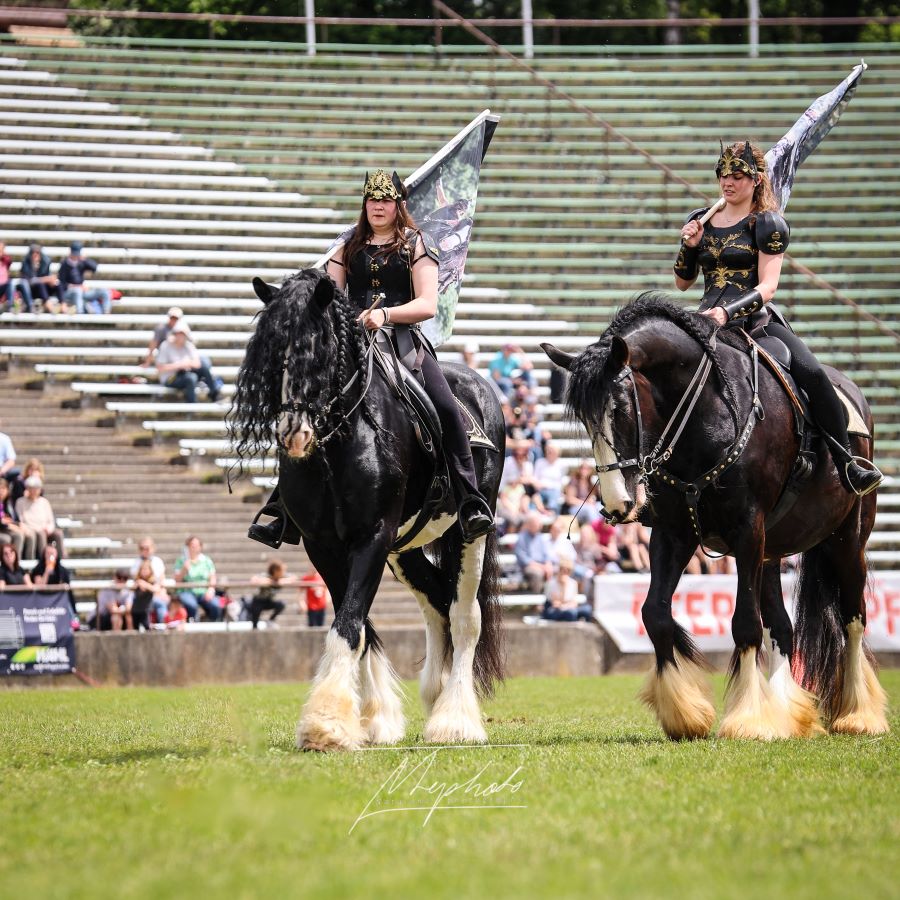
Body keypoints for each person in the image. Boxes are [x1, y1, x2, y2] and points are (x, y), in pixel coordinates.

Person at [248, 169, 495, 547]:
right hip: (352, 343)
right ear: (365, 204)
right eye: (372, 199)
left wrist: (384, 314)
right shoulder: (345, 245)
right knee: (305, 403)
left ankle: (469, 498)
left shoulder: (418, 243)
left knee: (446, 407)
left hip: (403, 343)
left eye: (386, 200)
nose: (378, 206)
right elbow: (331, 296)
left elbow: (428, 304)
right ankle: (284, 509)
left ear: (399, 205)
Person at [675, 139, 881, 496]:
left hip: (754, 323)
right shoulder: (701, 219)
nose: (728, 181)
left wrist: (727, 312)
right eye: (723, 173)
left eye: (738, 174)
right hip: (705, 322)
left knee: (813, 373)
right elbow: (682, 282)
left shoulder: (768, 224)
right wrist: (688, 247)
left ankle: (846, 462)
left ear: (755, 180)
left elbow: (768, 287)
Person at [154, 321, 223, 403]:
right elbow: (160, 368)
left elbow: (197, 364)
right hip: (170, 378)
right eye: (179, 333)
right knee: (191, 377)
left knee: (204, 367)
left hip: (186, 373)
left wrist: (186, 364)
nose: (181, 336)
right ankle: (192, 404)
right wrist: (179, 365)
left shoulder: (188, 345)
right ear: (175, 334)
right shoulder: (165, 345)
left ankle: (213, 394)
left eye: (183, 334)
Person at [15, 475, 64, 559]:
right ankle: (42, 561)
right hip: (30, 528)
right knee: (40, 534)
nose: (34, 491)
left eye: (36, 488)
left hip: (45, 529)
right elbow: (20, 520)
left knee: (58, 534)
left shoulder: (44, 502)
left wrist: (48, 528)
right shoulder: (20, 502)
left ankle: (61, 560)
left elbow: (51, 520)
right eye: (31, 488)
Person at [173, 535, 219, 621]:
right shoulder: (181, 560)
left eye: (196, 545)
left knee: (215, 605)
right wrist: (184, 570)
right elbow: (177, 580)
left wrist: (211, 589)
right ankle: (194, 622)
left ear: (200, 547)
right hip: (186, 591)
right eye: (191, 545)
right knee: (191, 605)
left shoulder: (206, 560)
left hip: (203, 591)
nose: (193, 548)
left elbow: (212, 577)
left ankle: (210, 622)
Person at [57, 241, 111, 314]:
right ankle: (80, 314)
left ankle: (106, 312)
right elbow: (62, 283)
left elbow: (94, 267)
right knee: (77, 291)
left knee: (104, 291)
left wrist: (85, 259)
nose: (75, 256)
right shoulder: (64, 264)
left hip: (83, 291)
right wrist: (77, 286)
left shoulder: (81, 262)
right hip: (71, 292)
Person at [129, 536, 168, 626]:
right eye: (142, 548)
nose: (145, 550)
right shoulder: (136, 562)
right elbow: (136, 580)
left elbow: (161, 580)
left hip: (155, 593)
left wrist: (161, 591)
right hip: (141, 596)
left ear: (153, 548)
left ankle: (164, 627)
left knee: (160, 603)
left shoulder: (158, 561)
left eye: (147, 548)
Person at [541, 557, 593, 622]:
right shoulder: (551, 583)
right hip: (554, 610)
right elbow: (555, 603)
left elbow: (574, 602)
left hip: (568, 608)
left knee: (587, 610)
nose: (564, 572)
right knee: (571, 613)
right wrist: (563, 586)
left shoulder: (573, 583)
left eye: (567, 570)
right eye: (562, 570)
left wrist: (566, 606)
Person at [514, 510, 554, 593]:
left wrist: (548, 564)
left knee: (555, 569)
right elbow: (523, 559)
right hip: (528, 567)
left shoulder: (541, 537)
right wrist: (541, 567)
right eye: (535, 523)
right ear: (529, 524)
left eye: (538, 523)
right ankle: (537, 602)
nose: (538, 525)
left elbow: (547, 554)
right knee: (537, 573)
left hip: (542, 565)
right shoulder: (522, 538)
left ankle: (551, 597)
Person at [31, 544, 76, 617]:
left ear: (56, 555)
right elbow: (39, 587)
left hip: (57, 600)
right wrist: (46, 572)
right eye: (47, 553)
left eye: (52, 553)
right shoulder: (38, 569)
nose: (50, 556)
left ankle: (74, 618)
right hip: (42, 599)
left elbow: (66, 588)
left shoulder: (62, 570)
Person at [248, 559, 291, 629]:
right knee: (255, 621)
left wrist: (282, 581)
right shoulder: (266, 575)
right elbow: (254, 579)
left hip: (269, 601)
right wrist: (270, 581)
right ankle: (254, 627)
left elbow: (293, 578)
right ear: (276, 571)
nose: (283, 572)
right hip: (258, 601)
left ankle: (271, 620)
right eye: (282, 570)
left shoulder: (281, 577)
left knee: (281, 604)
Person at [20, 244, 61, 313]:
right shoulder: (26, 264)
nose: (35, 255)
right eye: (33, 252)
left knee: (58, 285)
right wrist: (46, 279)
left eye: (38, 253)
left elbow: (47, 276)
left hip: (44, 290)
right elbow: (29, 281)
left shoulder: (44, 262)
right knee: (40, 284)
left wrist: (51, 281)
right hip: (31, 291)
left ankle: (63, 304)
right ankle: (49, 306)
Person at [0, 477, 32, 558]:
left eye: (3, 488)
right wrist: (10, 525)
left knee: (27, 534)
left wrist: (19, 524)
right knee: (7, 539)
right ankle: (6, 564)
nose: (1, 491)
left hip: (5, 529)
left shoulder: (8, 503)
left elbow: (12, 519)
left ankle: (20, 563)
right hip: (3, 529)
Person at [0, 241, 31, 312]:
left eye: (2, 249)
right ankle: (10, 304)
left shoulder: (4, 261)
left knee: (22, 283)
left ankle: (29, 305)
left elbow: (8, 259)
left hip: (5, 288)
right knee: (10, 283)